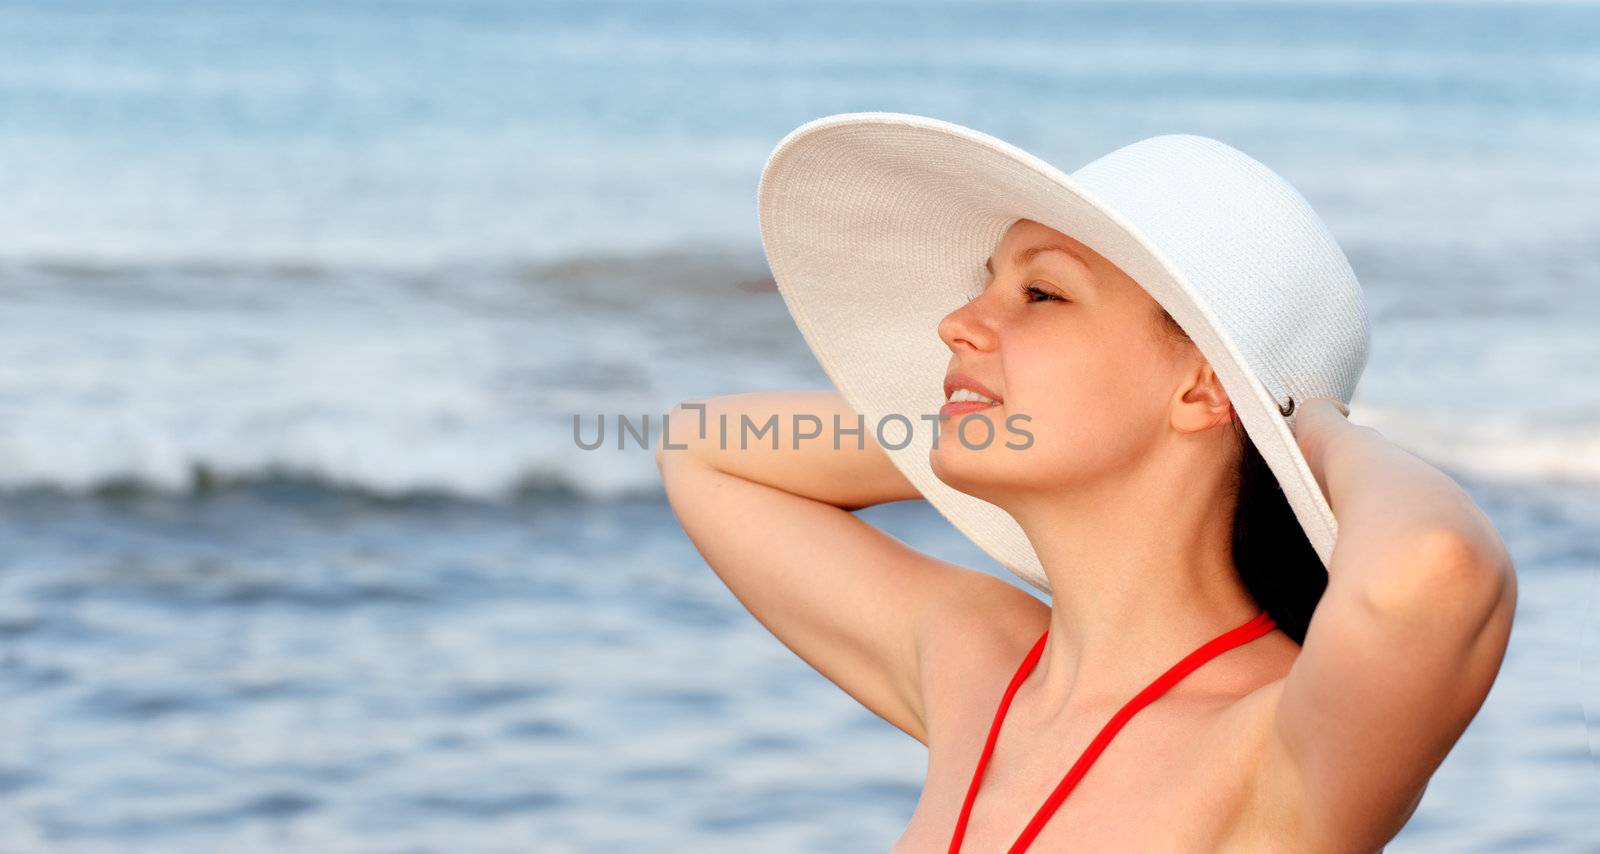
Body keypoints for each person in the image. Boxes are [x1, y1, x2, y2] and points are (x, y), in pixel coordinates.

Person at [656, 115, 1517, 851]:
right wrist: (998, 433)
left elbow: (1434, 568)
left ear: (1202, 387)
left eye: (1041, 293)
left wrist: (1307, 425)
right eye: (981, 285)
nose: (957, 325)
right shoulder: (983, 666)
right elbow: (702, 443)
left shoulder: (1277, 743)